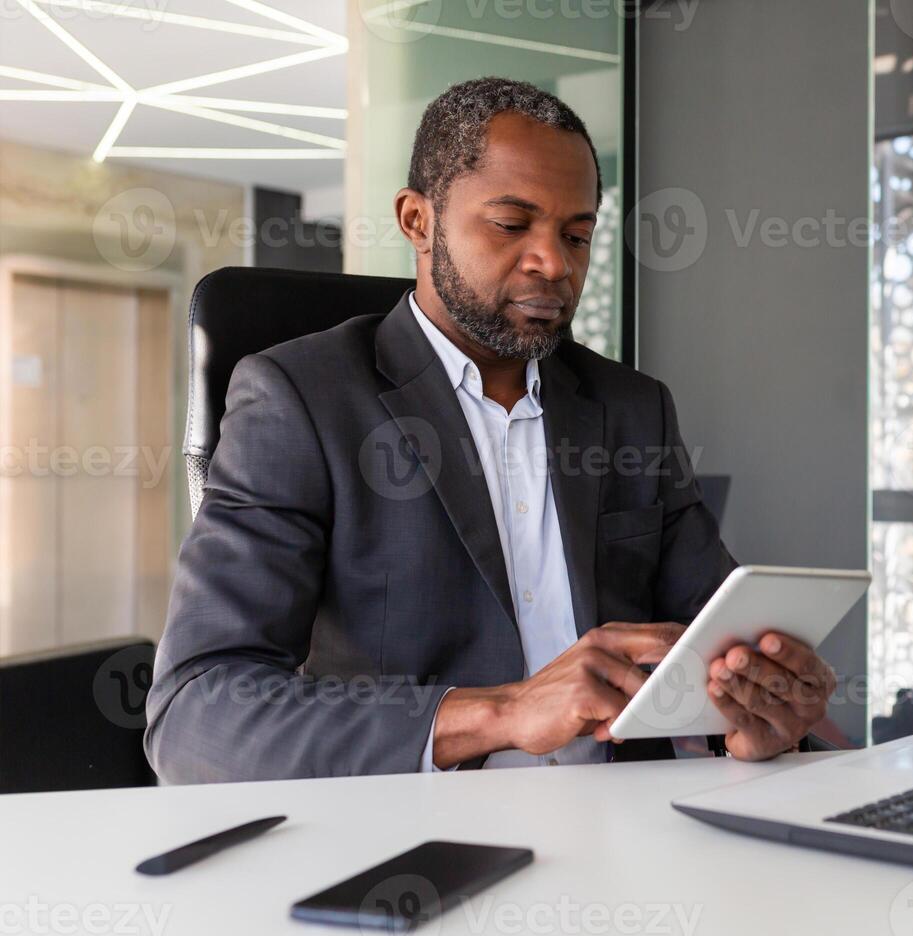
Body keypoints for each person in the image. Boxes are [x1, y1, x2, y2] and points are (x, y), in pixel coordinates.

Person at [144, 77, 836, 783]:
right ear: (417, 220)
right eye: (512, 224)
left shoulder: (633, 409)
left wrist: (756, 720)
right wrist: (501, 712)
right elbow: (196, 716)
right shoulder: (303, 400)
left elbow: (717, 650)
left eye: (577, 234)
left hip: (633, 837)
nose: (555, 263)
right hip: (414, 856)